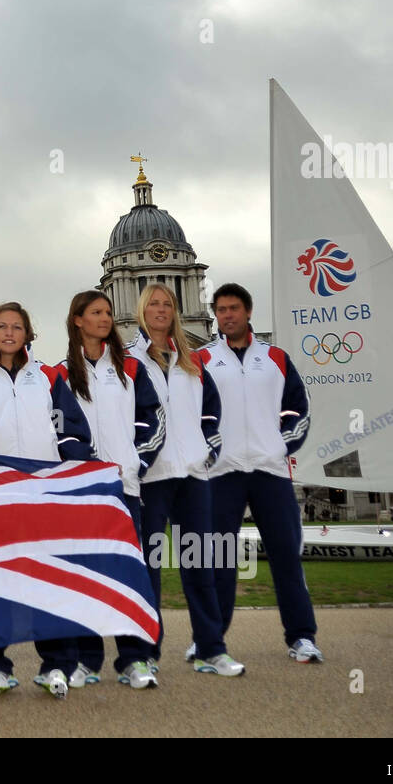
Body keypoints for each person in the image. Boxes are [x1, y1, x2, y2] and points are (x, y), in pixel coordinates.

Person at [0, 301, 94, 700]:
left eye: (17, 326)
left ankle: (57, 664)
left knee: (50, 581)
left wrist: (73, 473)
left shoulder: (49, 377)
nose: (9, 332)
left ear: (27, 334)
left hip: (42, 494)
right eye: (1, 326)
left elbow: (73, 431)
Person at [119, 282, 243, 684]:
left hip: (192, 475)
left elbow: (211, 412)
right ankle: (143, 654)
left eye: (167, 304)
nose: (161, 309)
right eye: (153, 303)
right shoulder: (127, 360)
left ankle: (211, 649)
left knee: (200, 566)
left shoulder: (193, 360)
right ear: (141, 310)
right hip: (151, 477)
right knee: (148, 569)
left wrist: (208, 449)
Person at [202, 283, 321, 663]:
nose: (227, 316)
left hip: (271, 471)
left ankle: (301, 637)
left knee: (286, 556)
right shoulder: (201, 359)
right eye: (220, 310)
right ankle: (211, 640)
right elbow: (193, 414)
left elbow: (297, 409)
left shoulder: (276, 357)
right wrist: (211, 450)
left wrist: (280, 446)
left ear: (248, 311)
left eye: (234, 308)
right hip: (222, 473)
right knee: (219, 558)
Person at [58, 289, 164, 687]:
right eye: (96, 313)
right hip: (81, 489)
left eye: (107, 312)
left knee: (127, 575)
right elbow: (58, 429)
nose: (105, 318)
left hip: (125, 487)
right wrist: (83, 463)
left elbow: (152, 422)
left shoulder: (132, 368)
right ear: (78, 320)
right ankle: (88, 660)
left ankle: (135, 659)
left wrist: (136, 459)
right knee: (85, 575)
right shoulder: (60, 373)